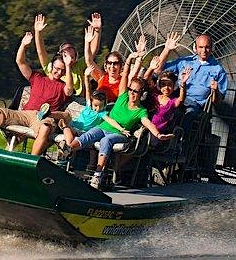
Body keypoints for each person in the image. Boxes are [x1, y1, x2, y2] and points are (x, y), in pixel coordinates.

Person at [67, 50, 174, 190]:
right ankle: (67, 151)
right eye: (131, 90)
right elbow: (125, 76)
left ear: (141, 94)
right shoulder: (123, 96)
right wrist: (129, 59)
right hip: (105, 127)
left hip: (120, 134)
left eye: (135, 91)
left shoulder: (140, 111)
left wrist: (159, 134)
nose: (132, 93)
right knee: (90, 134)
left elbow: (148, 123)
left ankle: (97, 175)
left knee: (106, 141)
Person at [0, 32, 74, 156]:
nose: (59, 72)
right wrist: (23, 45)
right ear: (51, 66)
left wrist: (68, 66)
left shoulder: (62, 86)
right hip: (24, 113)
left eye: (62, 70)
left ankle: (31, 161)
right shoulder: (37, 77)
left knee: (45, 128)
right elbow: (20, 62)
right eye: (57, 68)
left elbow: (69, 89)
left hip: (43, 118)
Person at [155, 32, 228, 119]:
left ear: (212, 48)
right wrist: (167, 49)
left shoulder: (218, 70)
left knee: (188, 114)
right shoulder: (185, 61)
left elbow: (217, 102)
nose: (204, 50)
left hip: (194, 103)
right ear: (195, 48)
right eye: (200, 47)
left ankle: (180, 132)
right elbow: (157, 70)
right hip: (175, 96)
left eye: (207, 47)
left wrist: (215, 91)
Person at [33, 12, 102, 98]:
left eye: (72, 57)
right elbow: (41, 52)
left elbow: (92, 51)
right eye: (66, 55)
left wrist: (97, 30)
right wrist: (38, 32)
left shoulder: (77, 66)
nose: (69, 59)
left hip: (79, 100)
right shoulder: (53, 68)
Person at [85, 28, 146, 103]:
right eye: (109, 63)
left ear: (121, 66)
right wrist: (87, 43)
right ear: (105, 65)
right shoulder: (101, 77)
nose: (112, 66)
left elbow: (134, 71)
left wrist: (139, 54)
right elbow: (89, 61)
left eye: (115, 63)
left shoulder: (124, 81)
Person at [56, 65, 108, 148]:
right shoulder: (89, 105)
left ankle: (67, 146)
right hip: (74, 124)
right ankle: (48, 114)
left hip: (81, 131)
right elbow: (87, 90)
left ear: (104, 105)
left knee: (67, 129)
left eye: (100, 106)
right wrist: (86, 76)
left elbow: (110, 120)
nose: (97, 108)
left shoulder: (102, 113)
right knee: (65, 116)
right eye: (95, 105)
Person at [143, 59, 191, 144]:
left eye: (169, 85)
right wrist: (151, 68)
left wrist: (183, 84)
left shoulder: (172, 101)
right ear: (159, 85)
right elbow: (145, 80)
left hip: (157, 133)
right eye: (163, 85)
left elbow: (181, 99)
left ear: (174, 86)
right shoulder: (154, 95)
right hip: (144, 128)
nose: (166, 88)